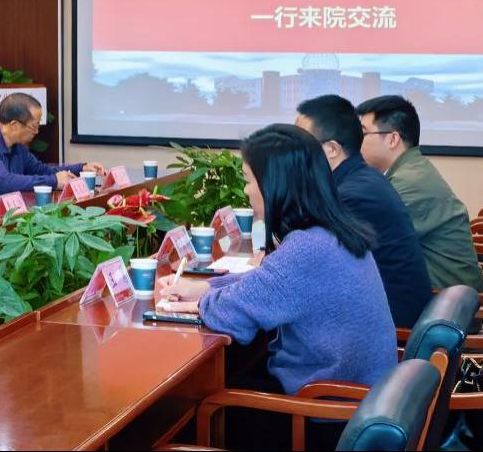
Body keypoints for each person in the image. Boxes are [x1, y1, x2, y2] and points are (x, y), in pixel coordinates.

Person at [159, 124, 396, 397]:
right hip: (358, 397)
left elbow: (233, 315)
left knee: (198, 398)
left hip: (324, 408)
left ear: (274, 185)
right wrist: (205, 287)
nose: (247, 191)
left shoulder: (308, 249)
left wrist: (201, 304)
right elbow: (267, 282)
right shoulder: (332, 233)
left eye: (249, 180)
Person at [295, 94, 433, 328]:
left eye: (299, 143)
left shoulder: (352, 195)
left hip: (390, 322)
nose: (291, 151)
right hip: (381, 308)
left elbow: (308, 268)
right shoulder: (359, 178)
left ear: (331, 149)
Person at [356, 95, 483, 292]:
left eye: (363, 133)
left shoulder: (409, 181)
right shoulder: (408, 169)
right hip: (441, 293)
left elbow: (362, 239)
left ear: (392, 139)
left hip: (448, 302)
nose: (355, 141)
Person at [0, 92, 105, 203]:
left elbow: (41, 170)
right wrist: (54, 181)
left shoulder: (18, 147)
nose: (37, 131)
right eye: (34, 126)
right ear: (14, 125)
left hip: (3, 216)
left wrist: (81, 168)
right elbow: (4, 183)